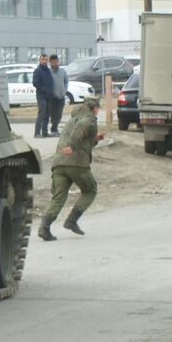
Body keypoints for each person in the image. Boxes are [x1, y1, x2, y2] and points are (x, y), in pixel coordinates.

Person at [38, 93, 103, 241]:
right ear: (93, 108)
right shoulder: (89, 119)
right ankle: (71, 221)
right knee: (90, 190)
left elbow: (82, 137)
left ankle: (44, 227)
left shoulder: (72, 119)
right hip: (76, 162)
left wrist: (95, 139)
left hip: (59, 163)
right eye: (98, 108)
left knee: (58, 196)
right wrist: (72, 147)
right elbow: (79, 132)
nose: (98, 111)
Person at [32, 53, 53, 137]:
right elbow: (35, 83)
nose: (44, 61)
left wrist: (51, 91)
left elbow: (50, 82)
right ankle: (37, 133)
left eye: (46, 60)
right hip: (41, 96)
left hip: (49, 96)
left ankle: (45, 132)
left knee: (47, 114)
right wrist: (44, 90)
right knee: (42, 113)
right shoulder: (38, 70)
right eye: (43, 60)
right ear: (40, 60)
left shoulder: (48, 70)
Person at [48, 54, 69, 135]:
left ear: (58, 62)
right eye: (53, 63)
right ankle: (54, 130)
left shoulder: (62, 71)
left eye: (56, 62)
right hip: (52, 97)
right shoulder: (49, 72)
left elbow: (66, 81)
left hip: (61, 97)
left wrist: (65, 91)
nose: (54, 64)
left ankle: (54, 128)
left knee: (59, 114)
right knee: (53, 114)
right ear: (50, 63)